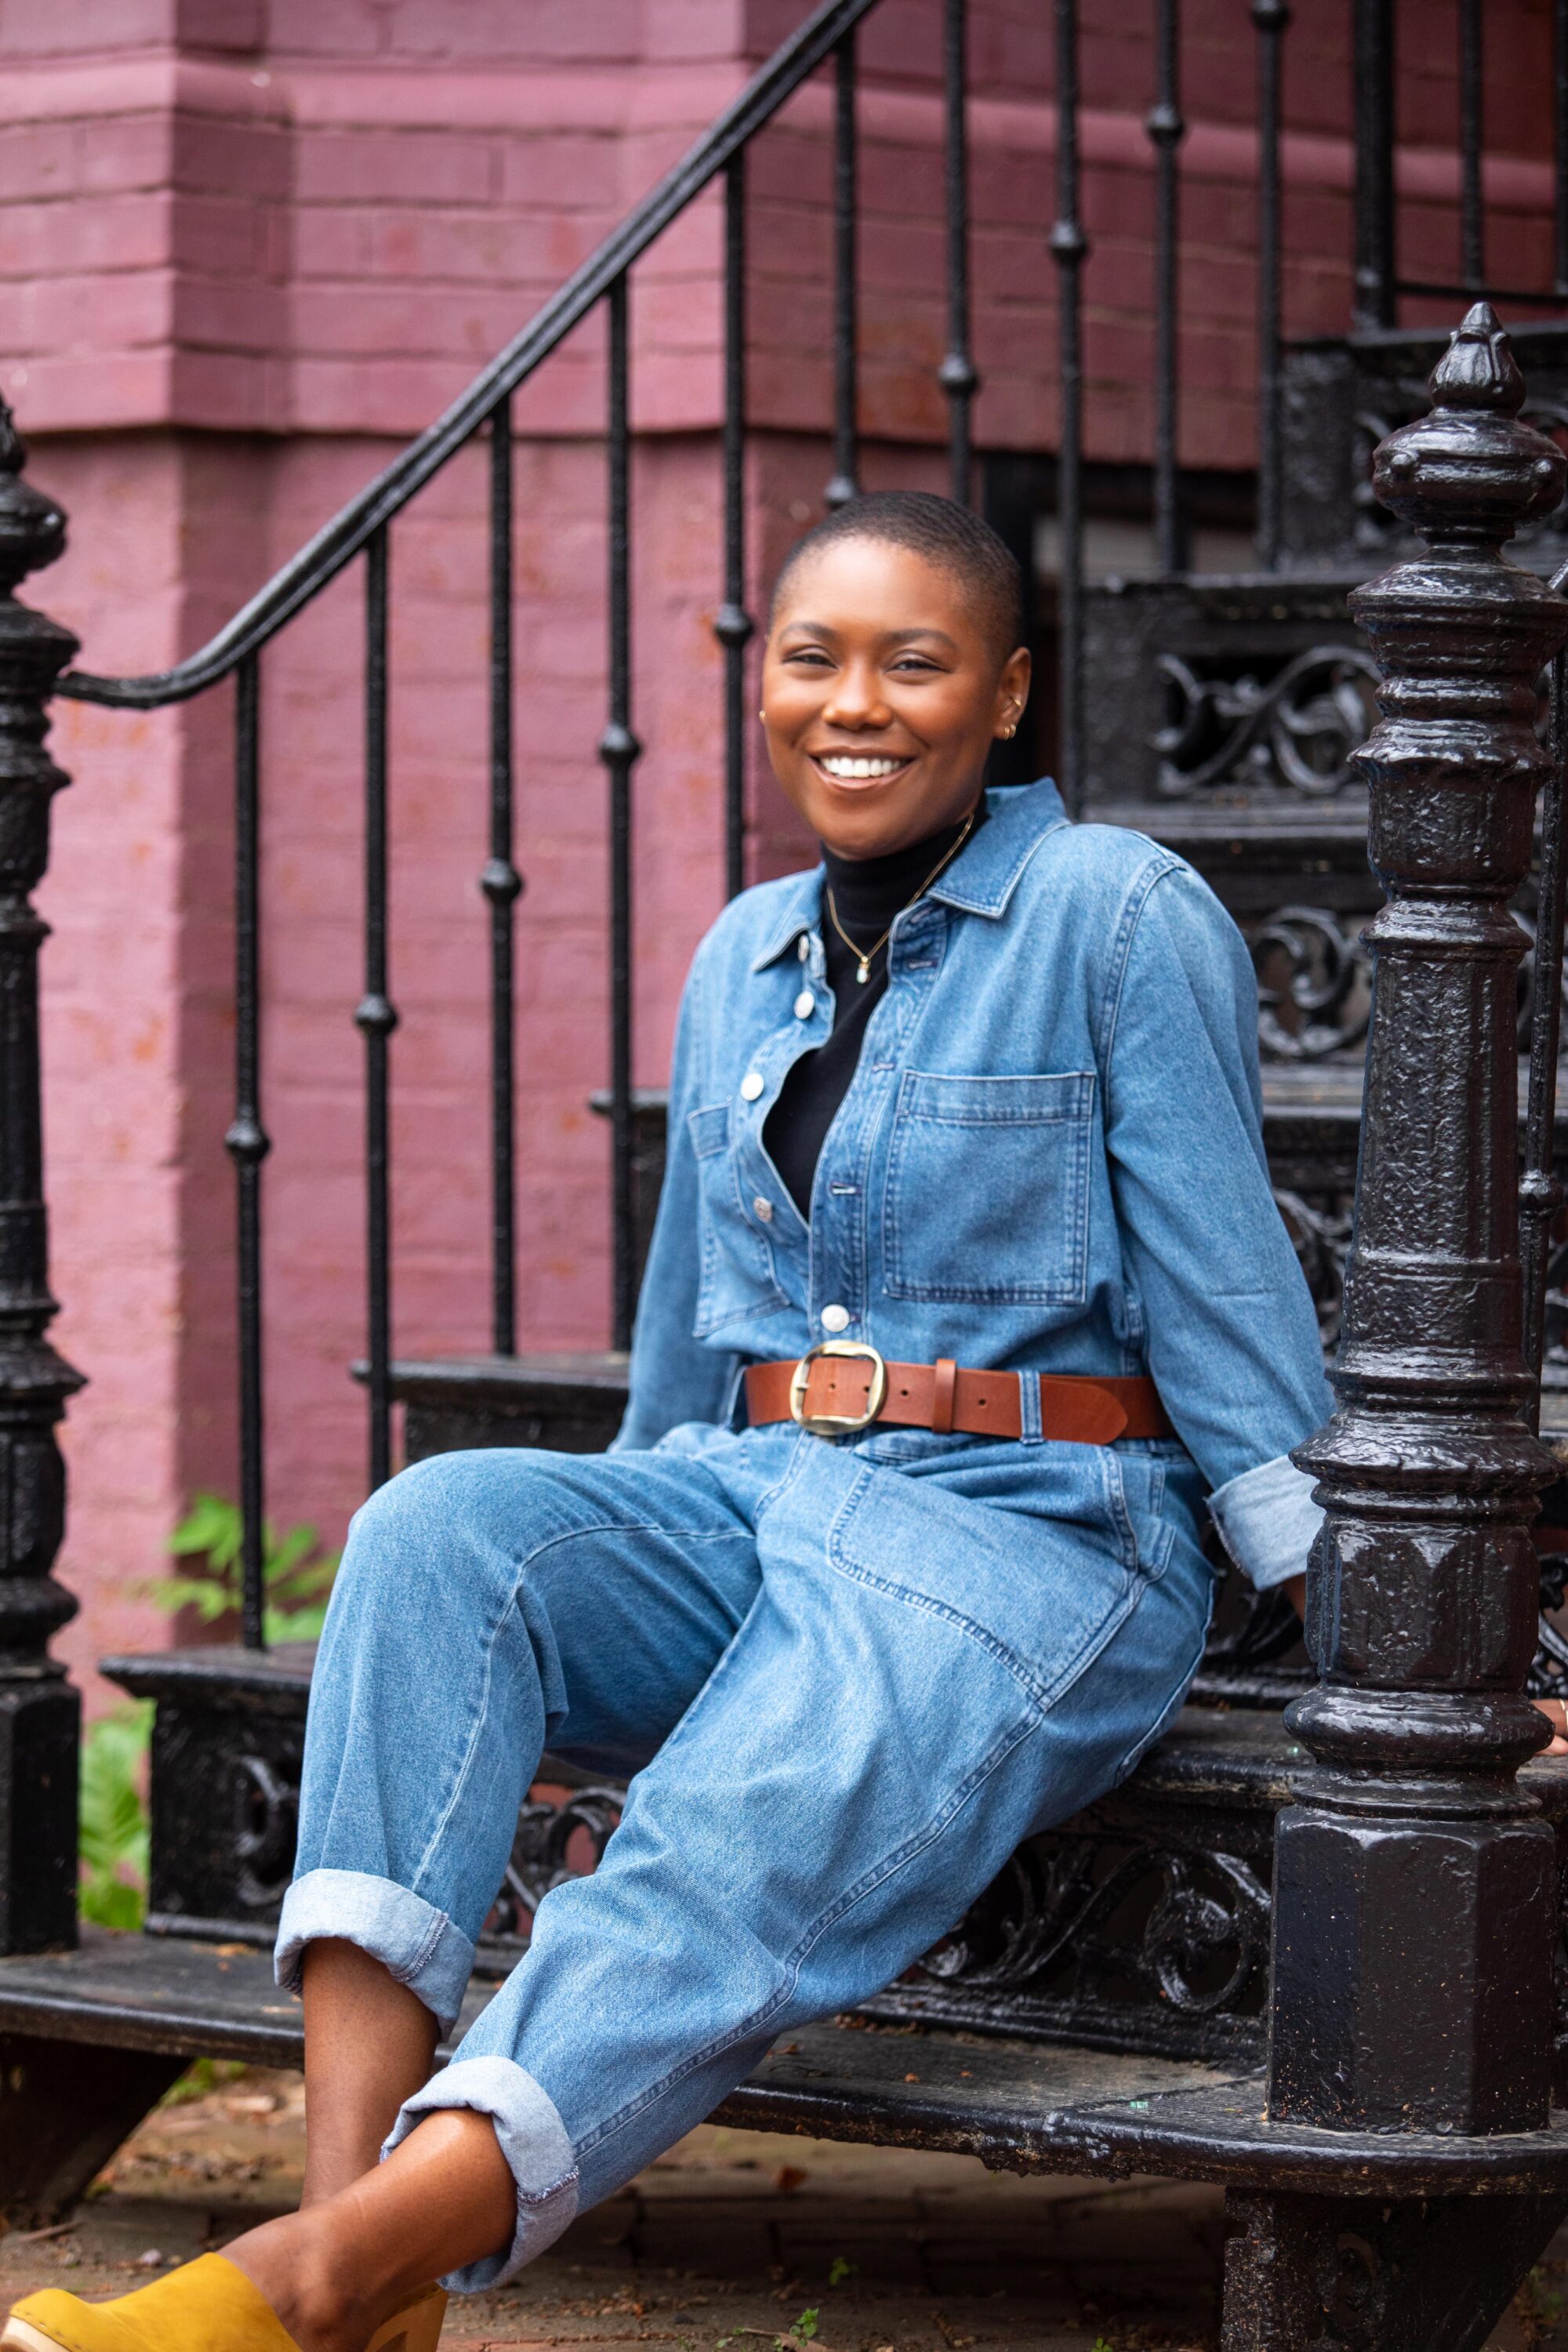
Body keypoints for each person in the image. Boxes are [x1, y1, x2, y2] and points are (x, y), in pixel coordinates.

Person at [5, 493, 1333, 2352]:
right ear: (767, 687)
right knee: (441, 1531)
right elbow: (687, 1337)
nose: (853, 702)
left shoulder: (1114, 915)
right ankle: (362, 2275)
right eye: (813, 658)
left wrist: (1382, 1620)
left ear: (1008, 693)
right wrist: (612, 1572)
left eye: (914, 660)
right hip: (760, 1488)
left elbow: (1227, 1299)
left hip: (1036, 1533)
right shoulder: (744, 954)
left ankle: (305, 2286)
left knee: (722, 1829)